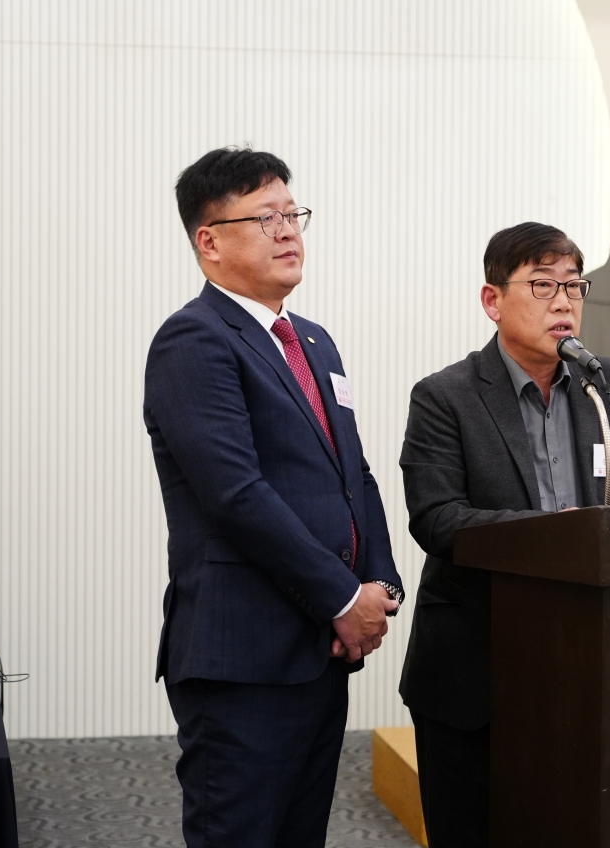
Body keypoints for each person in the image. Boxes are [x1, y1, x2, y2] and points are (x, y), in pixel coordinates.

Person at [397, 222, 610, 846]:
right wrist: (554, 534)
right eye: (543, 285)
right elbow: (438, 519)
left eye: (574, 285)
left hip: (590, 661)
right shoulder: (445, 397)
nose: (564, 302)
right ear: (493, 300)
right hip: (477, 669)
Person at [143, 147, 404, 848]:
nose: (288, 231)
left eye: (293, 214)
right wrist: (341, 598)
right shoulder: (193, 339)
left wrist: (378, 585)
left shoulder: (313, 341)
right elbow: (235, 494)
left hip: (319, 649)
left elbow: (355, 476)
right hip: (244, 654)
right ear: (210, 241)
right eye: (265, 218)